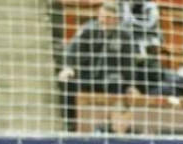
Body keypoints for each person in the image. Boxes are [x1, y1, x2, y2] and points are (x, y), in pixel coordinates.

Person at [58, 1, 143, 132]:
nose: (103, 20)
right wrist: (68, 67)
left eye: (108, 18)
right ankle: (70, 124)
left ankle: (114, 126)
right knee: (68, 83)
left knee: (122, 89)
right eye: (101, 16)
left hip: (111, 79)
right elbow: (72, 50)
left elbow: (128, 63)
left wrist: (131, 84)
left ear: (116, 19)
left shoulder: (125, 35)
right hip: (88, 76)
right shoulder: (88, 29)